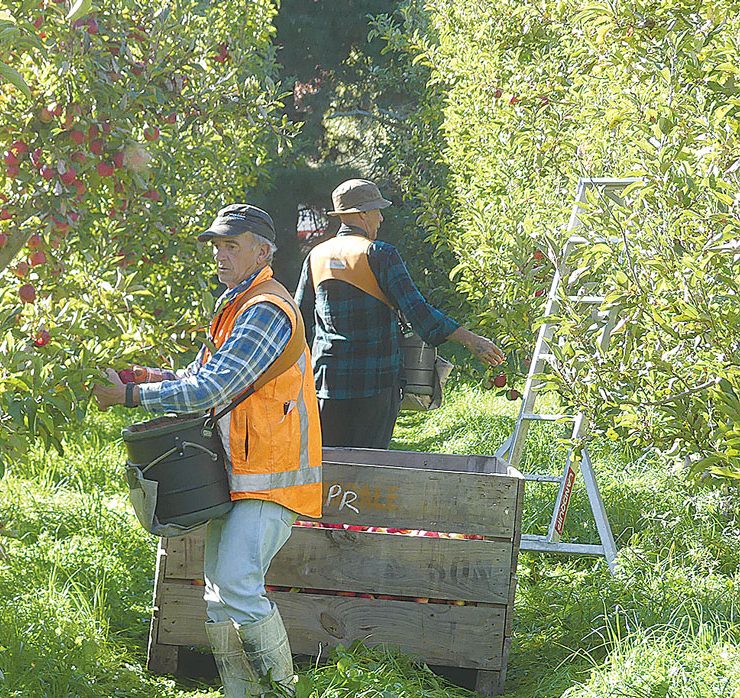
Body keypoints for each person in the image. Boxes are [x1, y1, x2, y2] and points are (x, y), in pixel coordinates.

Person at [92, 203, 321, 697]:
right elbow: (198, 379)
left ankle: (281, 691)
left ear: (263, 252)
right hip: (239, 469)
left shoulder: (266, 309)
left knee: (237, 584)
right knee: (219, 595)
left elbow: (211, 390)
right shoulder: (236, 305)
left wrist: (130, 397)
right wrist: (144, 377)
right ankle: (243, 693)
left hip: (269, 473)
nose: (219, 254)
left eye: (230, 245)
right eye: (217, 245)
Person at [295, 178, 505, 449]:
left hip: (326, 382)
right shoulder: (379, 254)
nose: (381, 218)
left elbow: (297, 319)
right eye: (377, 211)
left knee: (328, 465)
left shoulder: (316, 255)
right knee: (370, 467)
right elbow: (419, 313)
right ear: (362, 214)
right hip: (375, 382)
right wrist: (471, 340)